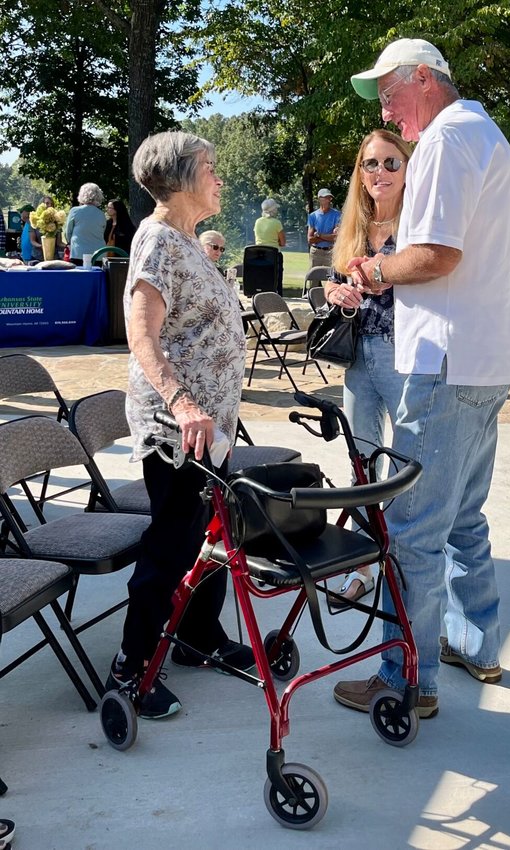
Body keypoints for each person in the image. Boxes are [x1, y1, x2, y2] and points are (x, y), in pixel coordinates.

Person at [333, 38, 510, 718]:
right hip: (483, 362)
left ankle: (405, 680)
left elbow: (438, 254)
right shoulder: (486, 134)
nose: (384, 106)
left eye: (388, 90)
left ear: (423, 78)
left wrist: (374, 270)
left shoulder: (445, 140)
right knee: (463, 517)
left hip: (443, 365)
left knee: (411, 528)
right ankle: (478, 643)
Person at [105, 130, 254, 719]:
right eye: (211, 167)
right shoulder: (159, 241)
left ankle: (198, 639)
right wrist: (183, 402)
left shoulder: (188, 241)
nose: (219, 177)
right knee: (171, 546)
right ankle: (130, 669)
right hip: (178, 429)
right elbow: (142, 332)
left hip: (208, 427)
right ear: (179, 178)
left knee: (210, 537)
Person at [323, 129, 411, 605]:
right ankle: (364, 566)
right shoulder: (353, 225)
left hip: (405, 355)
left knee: (405, 467)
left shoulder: (419, 223)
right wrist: (336, 292)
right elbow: (333, 285)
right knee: (362, 464)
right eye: (371, 164)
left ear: (407, 168)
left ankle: (400, 563)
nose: (380, 172)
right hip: (358, 355)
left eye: (391, 163)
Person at [63, 183, 106, 263]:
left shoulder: (75, 211)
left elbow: (68, 232)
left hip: (78, 253)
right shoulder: (101, 214)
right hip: (98, 254)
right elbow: (102, 231)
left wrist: (70, 243)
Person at [307, 189, 341, 267]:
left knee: (331, 278)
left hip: (331, 252)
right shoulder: (313, 216)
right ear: (319, 199)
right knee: (314, 277)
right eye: (326, 198)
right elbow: (310, 239)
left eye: (329, 198)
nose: (328, 201)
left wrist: (319, 235)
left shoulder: (337, 215)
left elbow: (336, 237)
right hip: (315, 252)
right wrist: (328, 237)